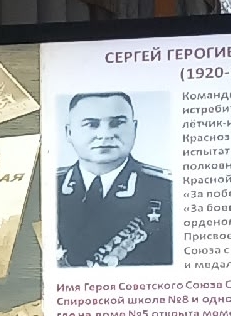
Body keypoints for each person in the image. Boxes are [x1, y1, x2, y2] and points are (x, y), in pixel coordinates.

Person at [56, 90, 173, 267]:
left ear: (134, 128)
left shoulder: (168, 190)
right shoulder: (49, 187)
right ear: (69, 132)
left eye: (116, 123)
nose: (105, 135)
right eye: (91, 124)